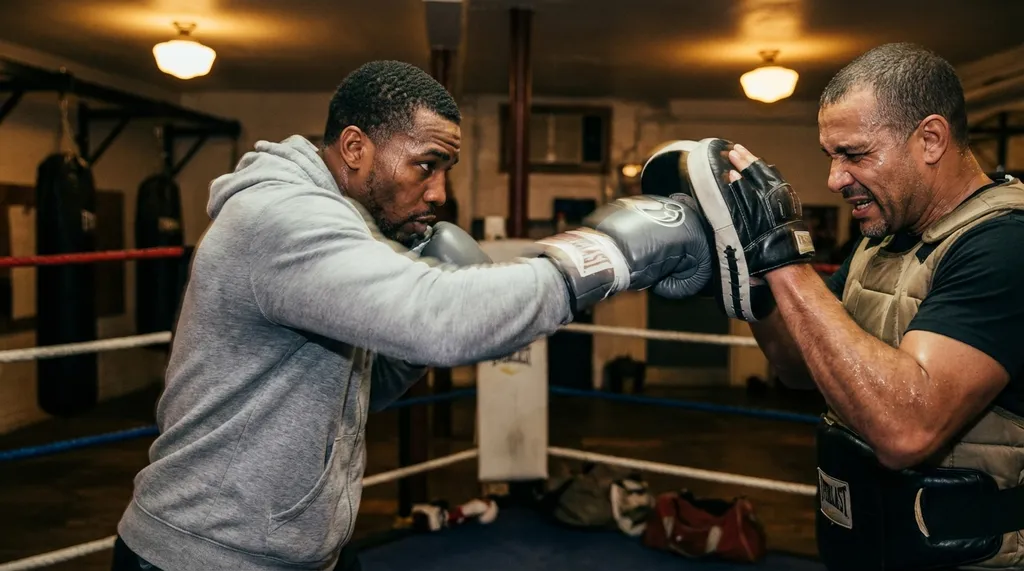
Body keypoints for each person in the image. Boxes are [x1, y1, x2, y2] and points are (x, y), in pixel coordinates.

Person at [110, 59, 713, 571]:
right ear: (354, 147)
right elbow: (438, 318)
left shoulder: (343, 229)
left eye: (445, 170)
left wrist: (415, 346)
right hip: (205, 556)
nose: (439, 194)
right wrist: (605, 254)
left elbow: (348, 395)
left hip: (299, 550)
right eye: (426, 164)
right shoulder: (282, 219)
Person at [643, 43, 1024, 571]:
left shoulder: (1004, 244)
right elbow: (798, 367)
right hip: (868, 542)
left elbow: (904, 432)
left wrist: (784, 257)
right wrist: (752, 279)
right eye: (831, 156)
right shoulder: (880, 240)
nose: (835, 179)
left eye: (855, 153)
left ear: (931, 139)